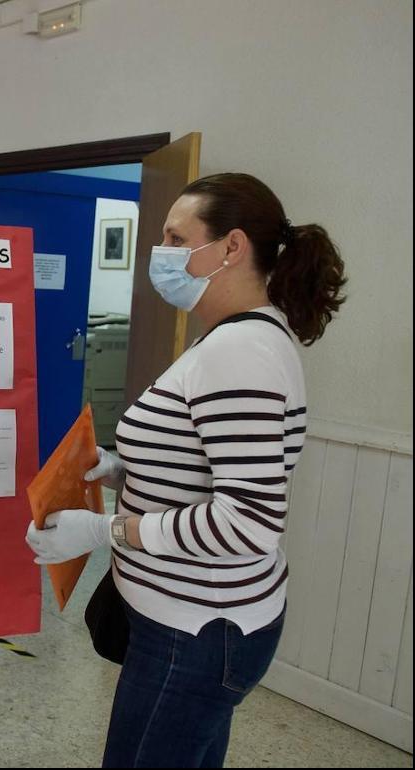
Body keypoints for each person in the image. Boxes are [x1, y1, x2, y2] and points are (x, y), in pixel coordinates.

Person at [26, 173, 346, 768]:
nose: (163, 253)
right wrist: (118, 469)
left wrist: (103, 532)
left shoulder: (241, 352)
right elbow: (201, 465)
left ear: (231, 248)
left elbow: (246, 523)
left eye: (177, 238)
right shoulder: (227, 340)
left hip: (197, 632)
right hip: (186, 622)